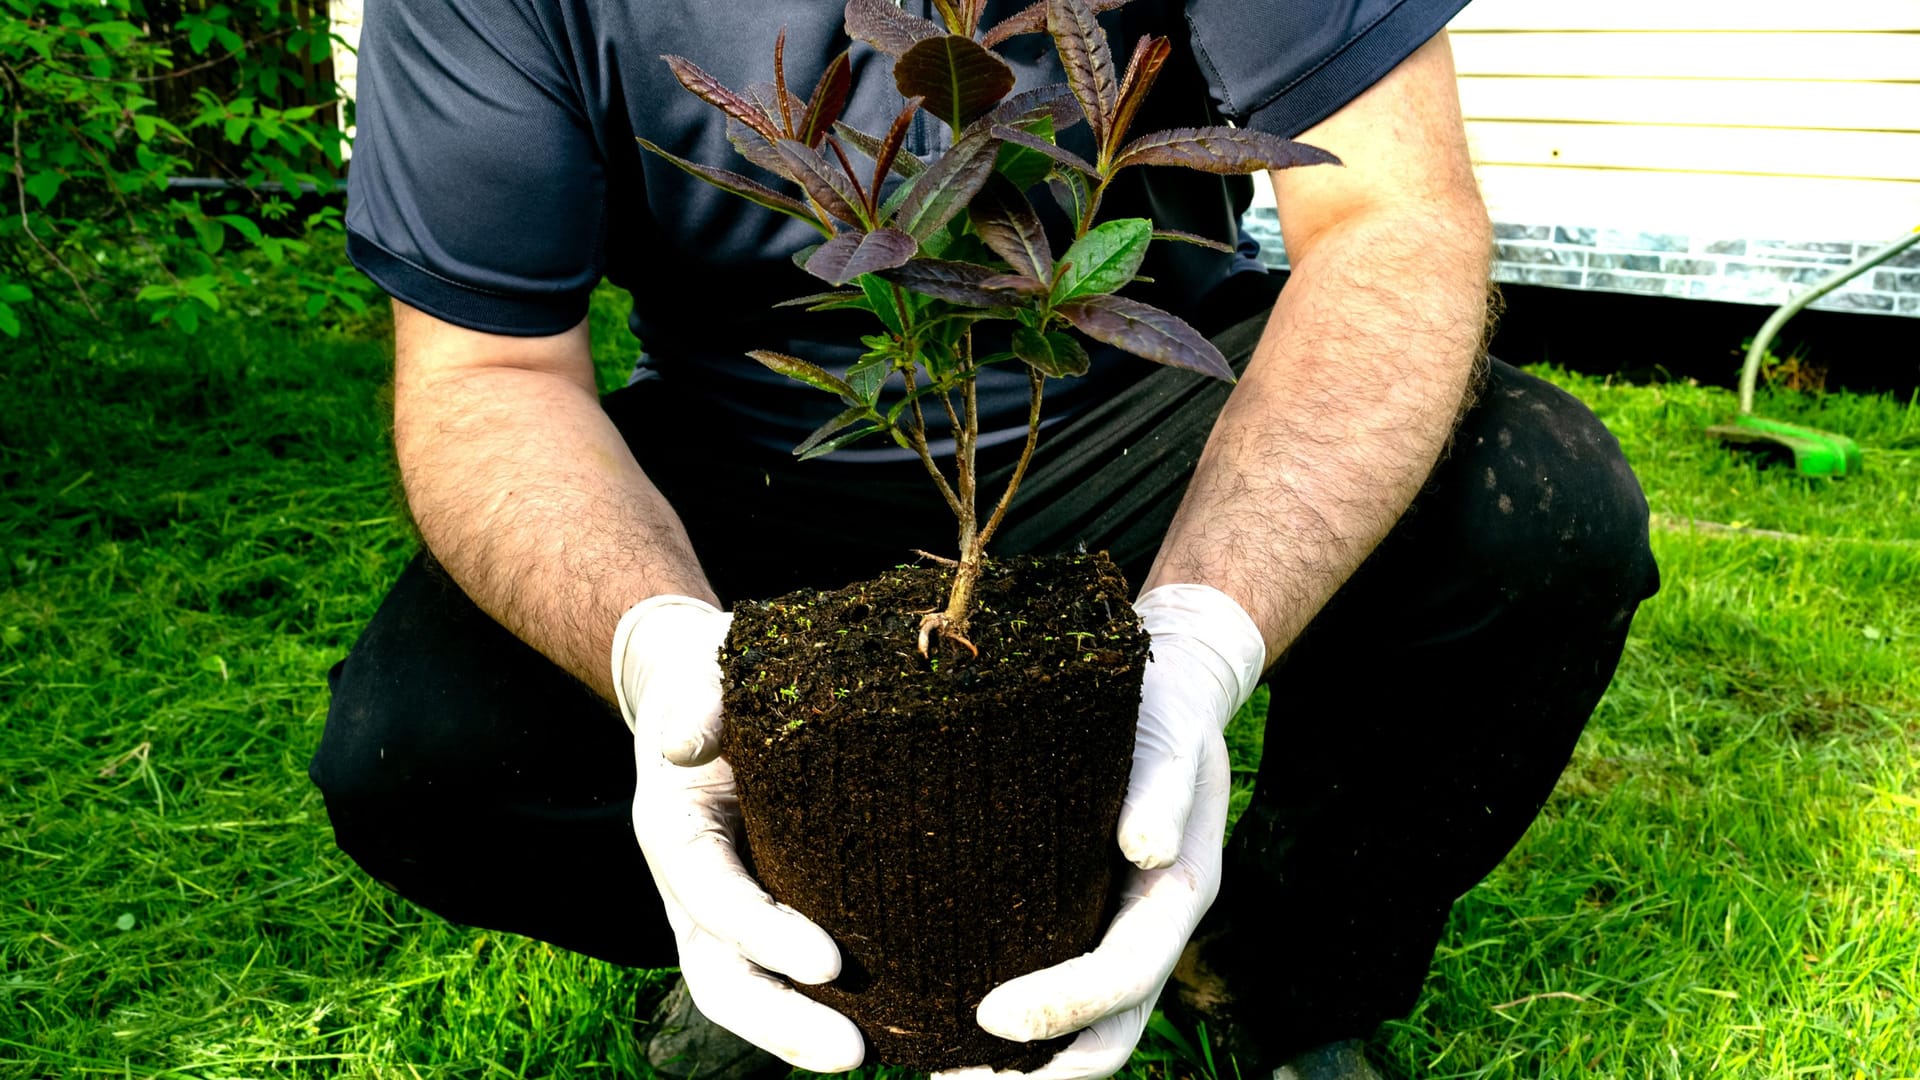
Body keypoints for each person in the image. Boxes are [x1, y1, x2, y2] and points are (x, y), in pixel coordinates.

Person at [309, 1, 1661, 1077]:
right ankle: (794, 932)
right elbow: (488, 377)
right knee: (416, 753)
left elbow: (1391, 218)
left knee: (1534, 511)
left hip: (1146, 404)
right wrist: (656, 649)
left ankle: (1277, 968)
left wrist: (1209, 632)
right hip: (762, 449)